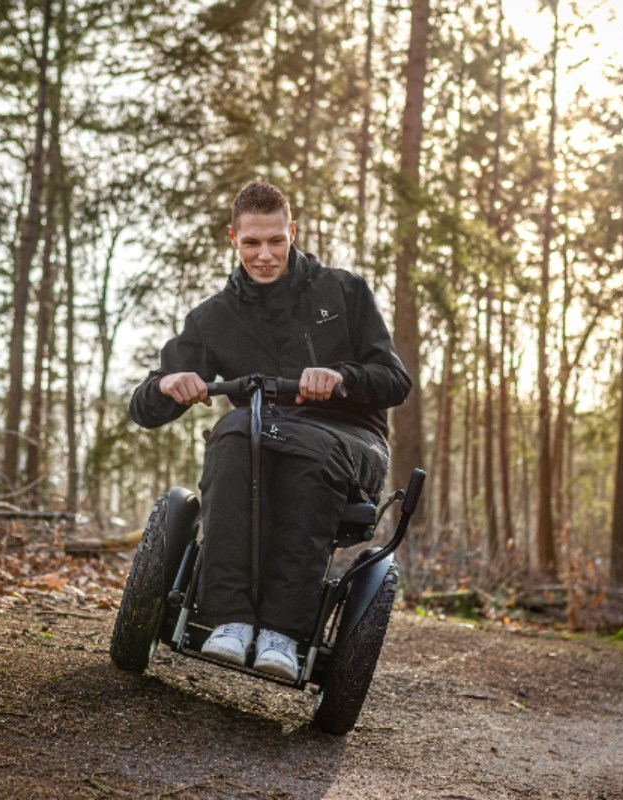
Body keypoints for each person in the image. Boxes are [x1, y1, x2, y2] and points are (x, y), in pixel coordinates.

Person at [129, 181, 411, 681]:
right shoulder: (214, 318)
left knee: (304, 452)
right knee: (233, 432)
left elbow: (395, 381)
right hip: (260, 432)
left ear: (293, 233)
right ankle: (229, 620)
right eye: (251, 243)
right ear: (233, 238)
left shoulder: (344, 291)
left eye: (276, 241)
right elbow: (147, 407)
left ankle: (284, 631)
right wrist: (168, 383)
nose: (264, 255)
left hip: (350, 439)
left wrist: (343, 378)